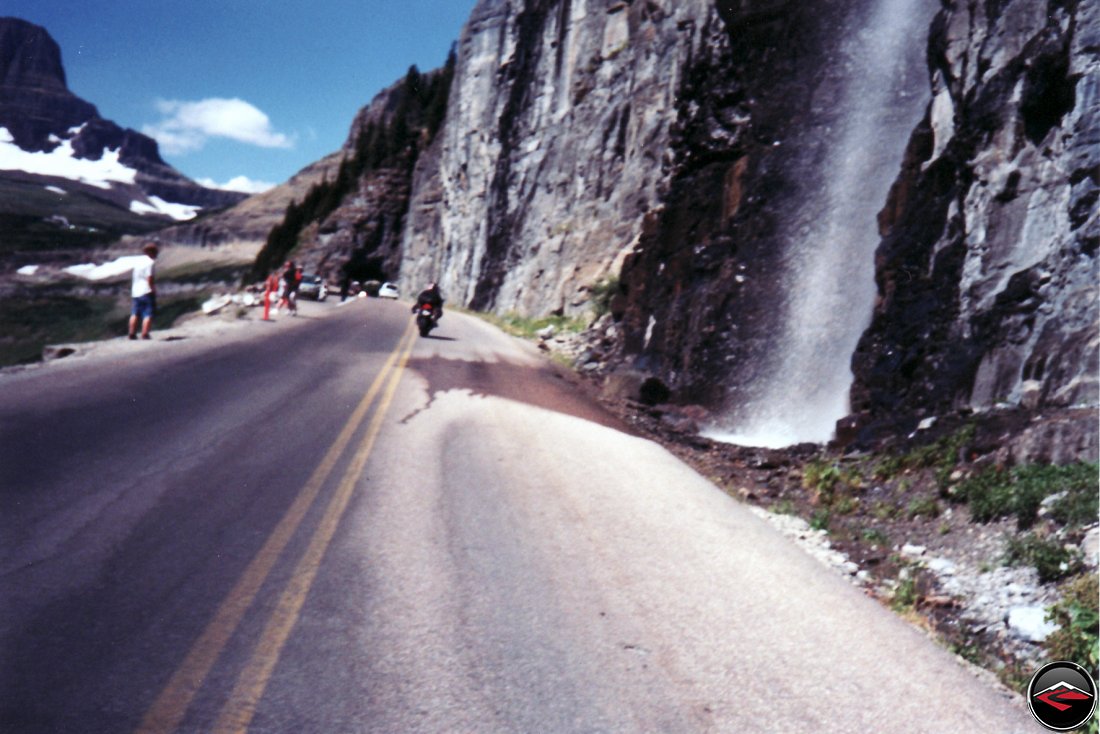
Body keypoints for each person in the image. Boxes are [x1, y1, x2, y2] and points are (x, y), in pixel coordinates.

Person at [128, 242, 158, 340]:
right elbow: (149, 278)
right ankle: (145, 333)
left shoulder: (138, 262)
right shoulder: (150, 262)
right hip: (146, 291)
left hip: (135, 291)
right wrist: (153, 289)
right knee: (148, 313)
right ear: (153, 252)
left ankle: (131, 333)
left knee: (135, 313)